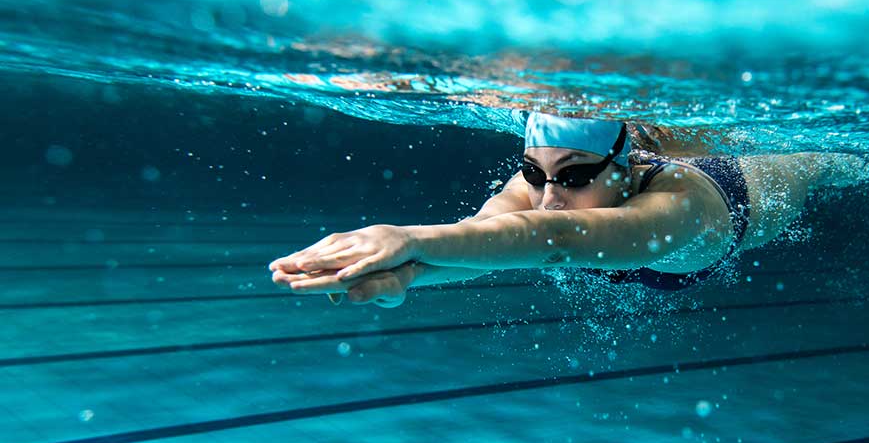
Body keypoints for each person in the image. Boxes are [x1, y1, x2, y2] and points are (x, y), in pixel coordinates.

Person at [269, 111, 838, 307]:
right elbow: (484, 240)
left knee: (826, 161)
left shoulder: (678, 209)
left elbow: (556, 239)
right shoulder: (543, 191)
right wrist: (406, 277)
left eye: (574, 175)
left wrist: (406, 237)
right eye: (534, 173)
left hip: (748, 187)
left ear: (627, 168)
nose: (548, 196)